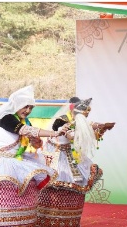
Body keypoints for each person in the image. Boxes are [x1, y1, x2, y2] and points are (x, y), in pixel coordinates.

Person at [0, 88, 58, 227]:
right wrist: (55, 133)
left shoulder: (26, 122)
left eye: (31, 107)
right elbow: (24, 131)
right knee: (1, 193)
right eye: (25, 106)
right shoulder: (5, 117)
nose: (28, 110)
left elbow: (32, 139)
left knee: (25, 190)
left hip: (14, 160)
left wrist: (36, 142)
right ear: (16, 104)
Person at [35, 97, 114, 227]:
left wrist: (102, 127)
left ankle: (69, 220)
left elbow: (90, 127)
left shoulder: (76, 121)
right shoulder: (62, 121)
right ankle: (48, 220)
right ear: (75, 112)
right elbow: (71, 135)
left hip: (70, 158)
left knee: (74, 187)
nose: (86, 117)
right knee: (54, 186)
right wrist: (91, 129)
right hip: (57, 159)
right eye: (84, 114)